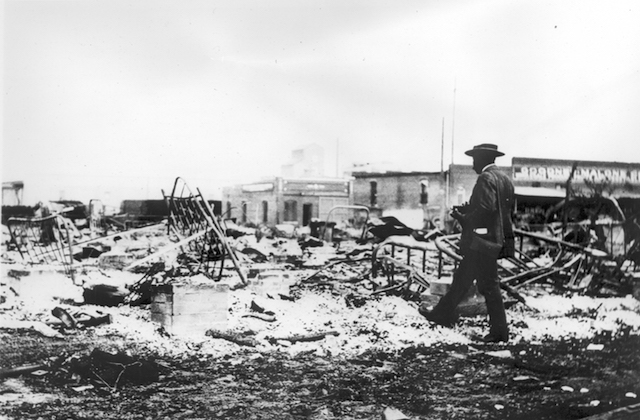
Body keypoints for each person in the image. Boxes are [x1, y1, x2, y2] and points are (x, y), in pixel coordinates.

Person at [420, 143, 515, 343]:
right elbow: (501, 211)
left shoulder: (485, 178)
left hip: (482, 241)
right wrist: (471, 209)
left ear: (482, 159)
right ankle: (442, 314)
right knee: (463, 279)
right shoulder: (505, 179)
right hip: (495, 239)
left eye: (474, 160)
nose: (472, 165)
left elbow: (486, 210)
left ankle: (499, 332)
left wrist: (464, 217)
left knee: (488, 285)